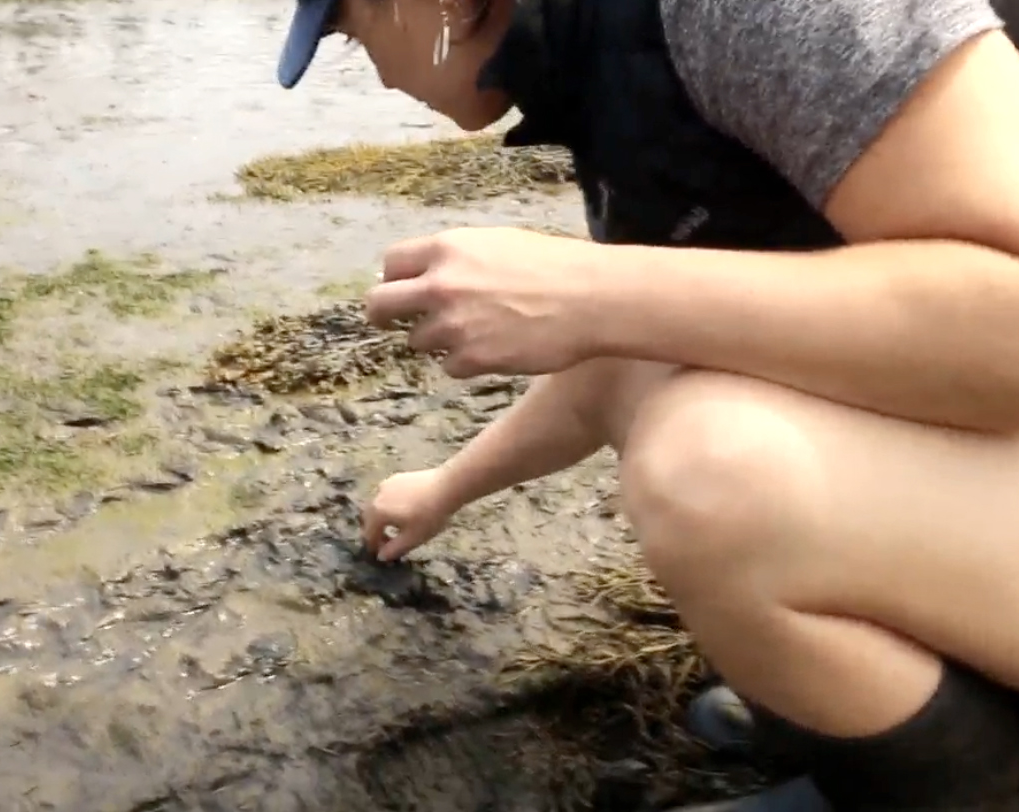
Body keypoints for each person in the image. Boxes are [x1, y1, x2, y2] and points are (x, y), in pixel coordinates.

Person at [276, 0, 1019, 809]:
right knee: (668, 377)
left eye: (356, 39)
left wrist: (599, 289)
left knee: (713, 472)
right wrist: (446, 486)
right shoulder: (597, 57)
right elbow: (631, 356)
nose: (381, 77)